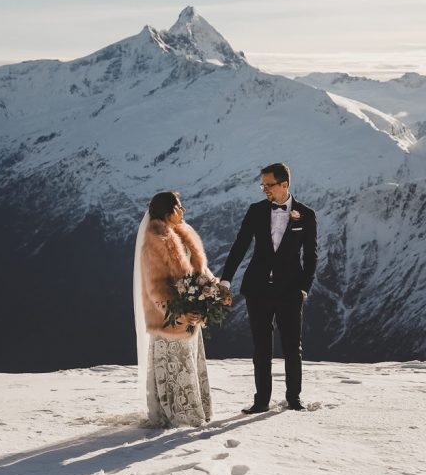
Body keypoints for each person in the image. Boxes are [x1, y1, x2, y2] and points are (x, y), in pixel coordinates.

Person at [220, 162, 317, 413]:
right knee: (261, 347)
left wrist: (304, 288)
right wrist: (225, 280)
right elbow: (239, 247)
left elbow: (312, 257)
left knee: (291, 347)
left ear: (284, 184)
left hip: (290, 291)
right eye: (262, 184)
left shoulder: (306, 214)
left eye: (269, 185)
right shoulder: (255, 211)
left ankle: (294, 399)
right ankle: (261, 401)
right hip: (257, 289)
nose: (264, 189)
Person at [133, 191, 213, 427]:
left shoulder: (184, 234)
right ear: (167, 211)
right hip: (169, 320)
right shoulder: (155, 242)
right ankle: (178, 416)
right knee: (175, 367)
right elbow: (155, 288)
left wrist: (215, 290)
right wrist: (178, 314)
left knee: (188, 365)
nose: (183, 210)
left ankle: (193, 411)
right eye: (179, 207)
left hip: (190, 317)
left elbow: (200, 271)